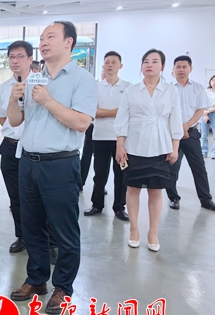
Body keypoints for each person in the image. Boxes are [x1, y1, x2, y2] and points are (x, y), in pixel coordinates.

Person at [8, 21, 98, 314]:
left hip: (60, 164)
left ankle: (63, 287)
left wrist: (47, 101)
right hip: (28, 163)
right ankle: (37, 279)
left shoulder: (83, 80)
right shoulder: (34, 77)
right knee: (32, 227)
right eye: (41, 38)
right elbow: (15, 120)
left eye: (50, 37)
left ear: (69, 42)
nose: (43, 42)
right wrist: (14, 98)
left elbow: (82, 122)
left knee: (64, 230)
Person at [114, 49, 184, 251]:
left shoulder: (170, 91)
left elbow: (175, 119)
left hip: (160, 145)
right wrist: (120, 145)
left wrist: (175, 147)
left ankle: (153, 232)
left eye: (154, 61)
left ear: (162, 66)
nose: (149, 65)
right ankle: (134, 229)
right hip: (134, 146)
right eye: (146, 61)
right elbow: (122, 119)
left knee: (155, 191)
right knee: (132, 188)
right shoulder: (132, 91)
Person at [84, 51, 132, 221]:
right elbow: (93, 112)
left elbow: (130, 112)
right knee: (99, 174)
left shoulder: (128, 87)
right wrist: (118, 111)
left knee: (121, 175)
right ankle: (97, 204)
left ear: (121, 66)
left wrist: (106, 112)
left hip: (122, 139)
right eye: (107, 62)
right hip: (100, 137)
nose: (110, 65)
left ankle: (119, 207)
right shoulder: (95, 87)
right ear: (103, 65)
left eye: (114, 62)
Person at [0, 41, 32, 254]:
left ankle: (50, 241)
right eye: (11, 57)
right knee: (15, 197)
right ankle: (22, 235)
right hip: (9, 147)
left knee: (38, 197)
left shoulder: (40, 83)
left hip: (34, 150)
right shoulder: (4, 87)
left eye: (20, 56)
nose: (15, 61)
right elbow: (1, 118)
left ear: (30, 59)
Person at [165, 56, 215, 211]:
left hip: (191, 134)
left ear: (190, 69)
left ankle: (206, 199)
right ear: (173, 69)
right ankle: (173, 198)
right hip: (171, 134)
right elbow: (164, 111)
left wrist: (186, 126)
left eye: (184, 66)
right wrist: (178, 129)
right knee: (172, 167)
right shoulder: (167, 88)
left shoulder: (198, 88)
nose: (181, 69)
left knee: (199, 167)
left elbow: (201, 109)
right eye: (178, 66)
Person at [201, 75, 215, 159]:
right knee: (204, 135)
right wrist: (205, 114)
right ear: (210, 82)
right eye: (212, 81)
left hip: (213, 113)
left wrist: (208, 111)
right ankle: (204, 152)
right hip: (204, 113)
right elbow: (202, 103)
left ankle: (214, 153)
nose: (214, 83)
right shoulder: (206, 91)